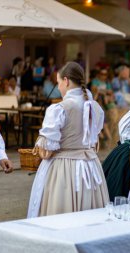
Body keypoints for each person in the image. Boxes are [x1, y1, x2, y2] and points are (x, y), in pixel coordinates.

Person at [27, 62, 109, 218]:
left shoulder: (58, 109)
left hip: (64, 170)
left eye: (58, 83)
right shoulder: (95, 107)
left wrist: (40, 147)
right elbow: (93, 141)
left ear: (66, 81)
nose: (58, 87)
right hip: (90, 168)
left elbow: (47, 152)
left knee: (61, 216)